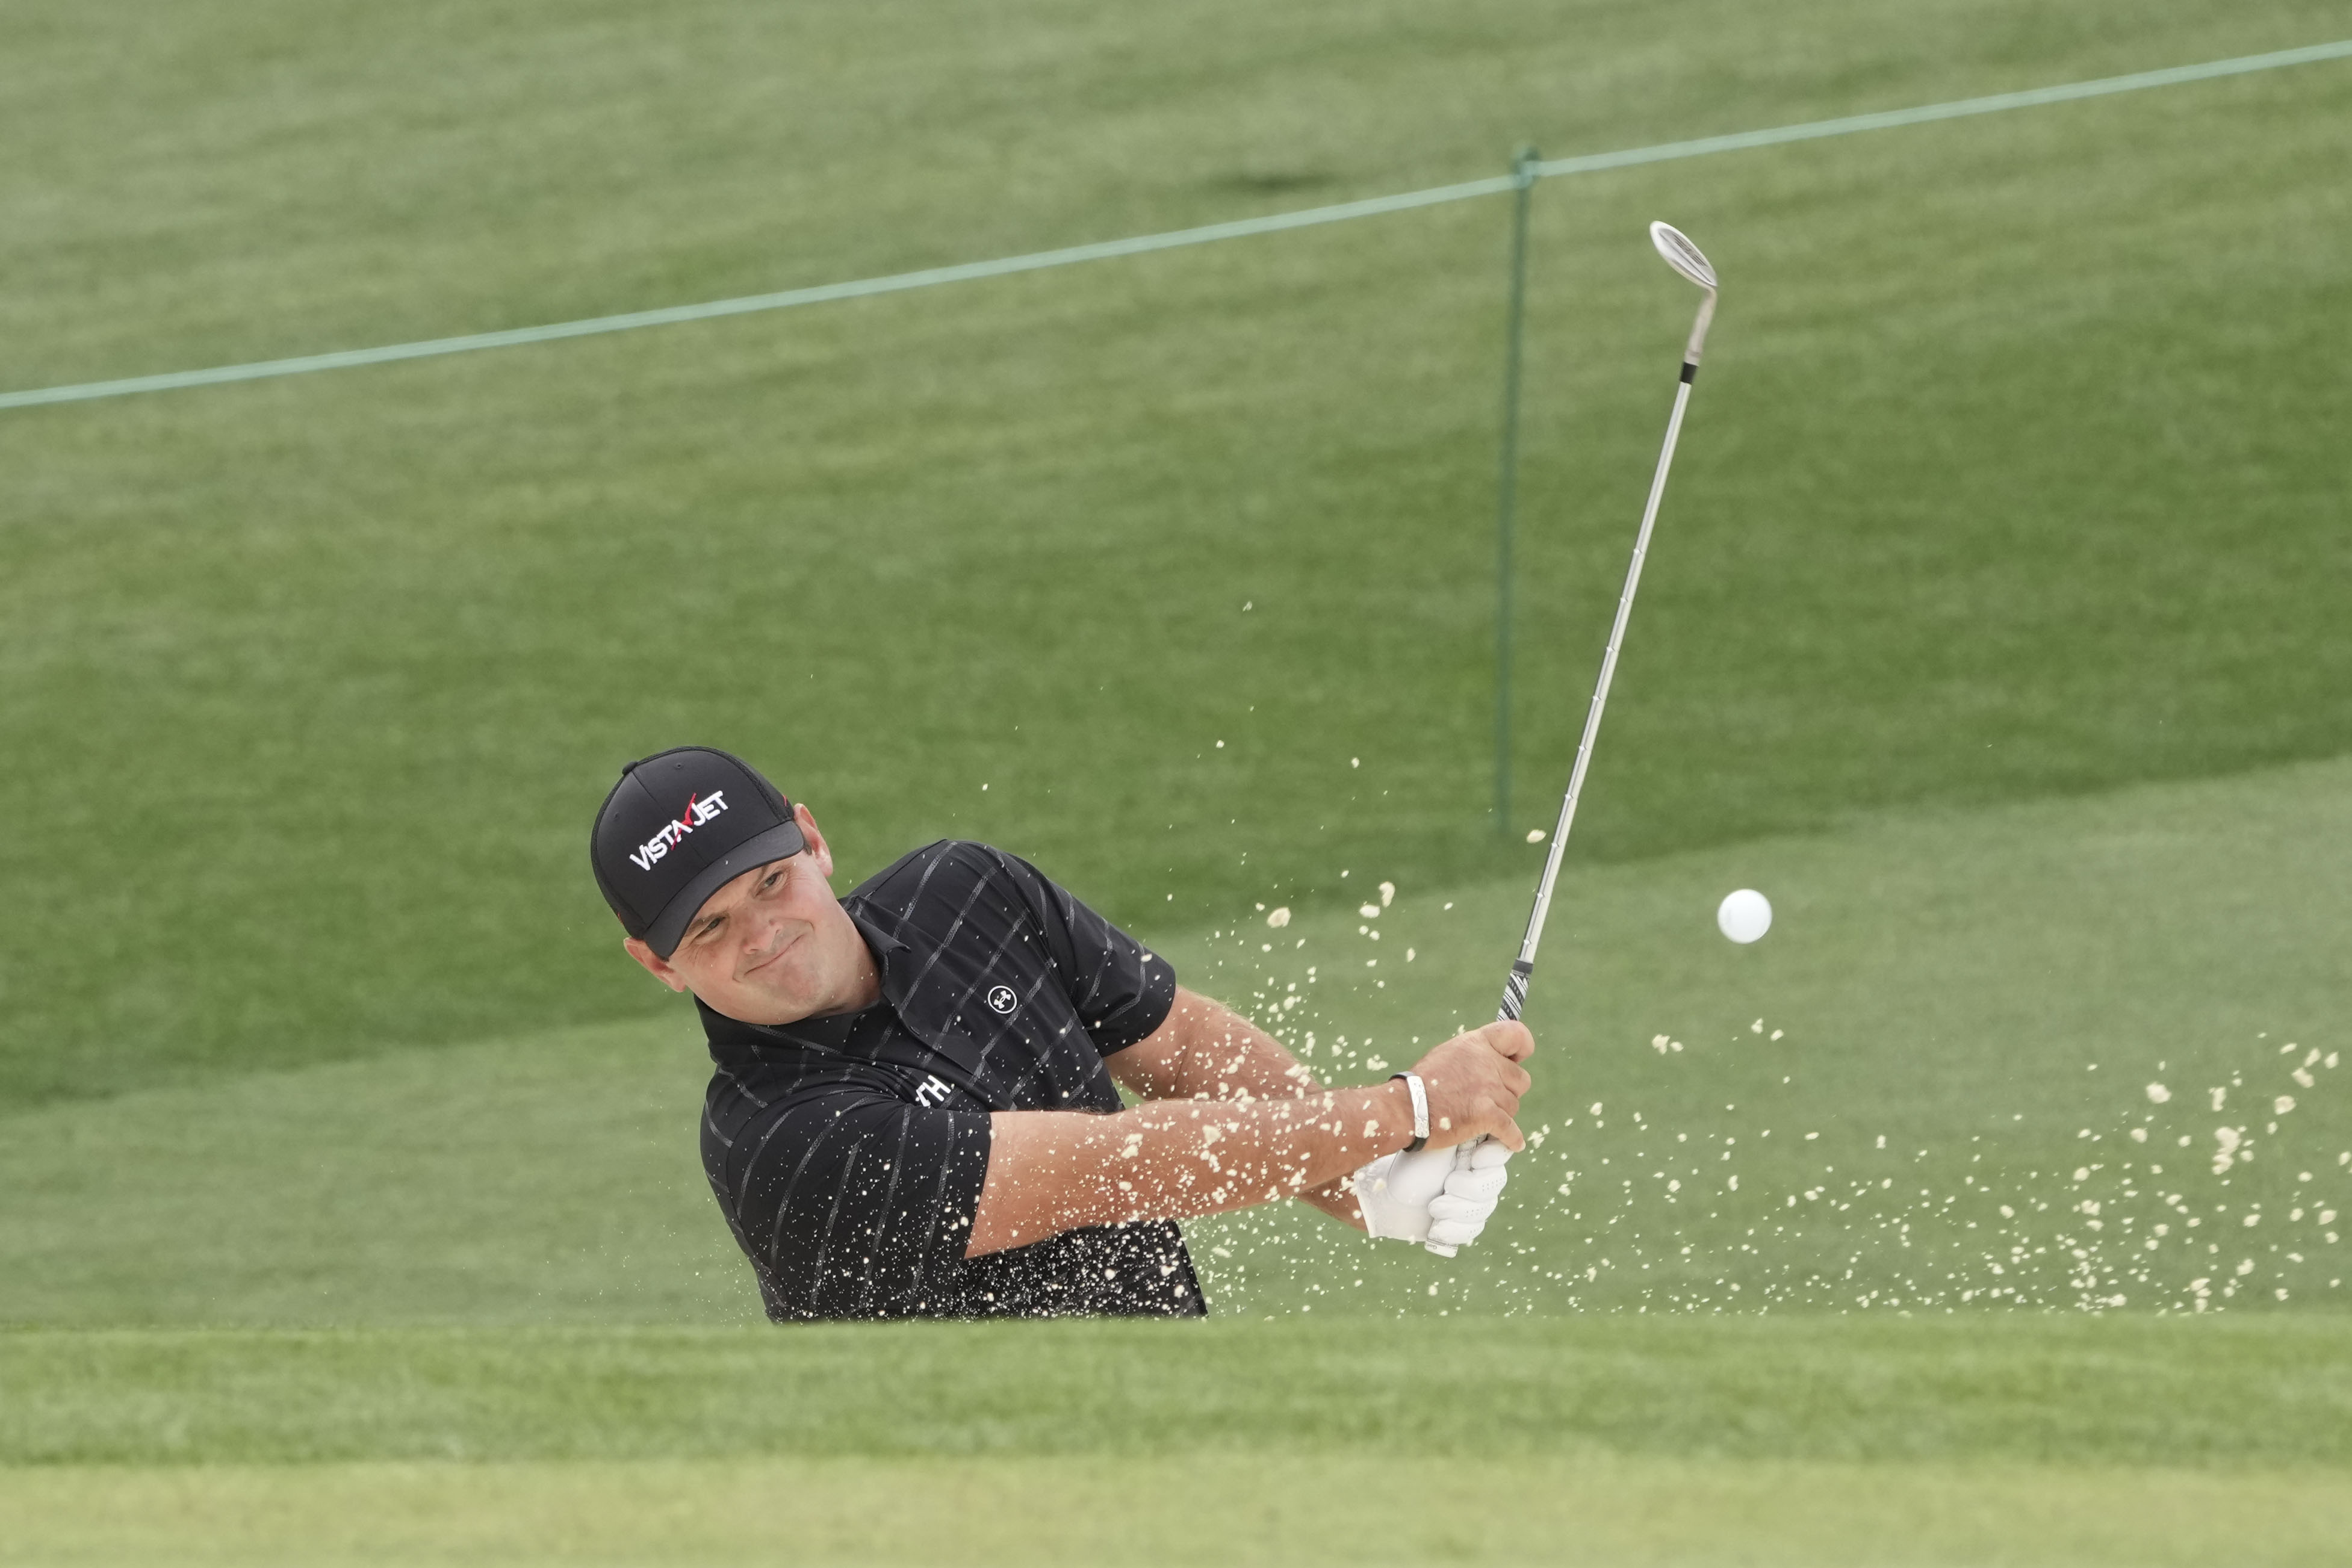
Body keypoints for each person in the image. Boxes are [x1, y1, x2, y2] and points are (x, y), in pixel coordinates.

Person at [590, 746, 1533, 1321]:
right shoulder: (776, 1140)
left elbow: (1188, 1054)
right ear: (657, 961)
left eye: (769, 881)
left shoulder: (967, 892)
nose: (764, 933)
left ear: (812, 839)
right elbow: (1120, 1166)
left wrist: (1365, 1181)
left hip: (1169, 1430)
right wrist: (1404, 1109)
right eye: (707, 927)